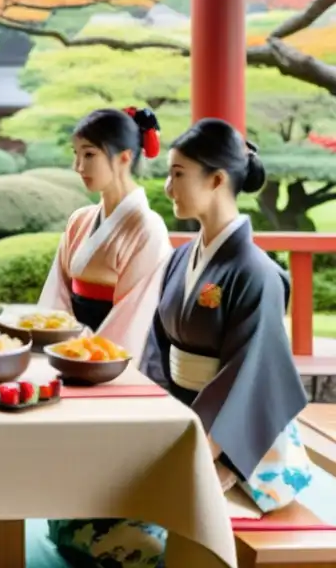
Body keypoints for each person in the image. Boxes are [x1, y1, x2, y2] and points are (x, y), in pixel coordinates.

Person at [52, 119, 313, 568]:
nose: (168, 187)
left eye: (178, 174)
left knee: (130, 543)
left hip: (239, 443)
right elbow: (156, 350)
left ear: (215, 180)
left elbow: (249, 375)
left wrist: (202, 454)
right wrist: (152, 424)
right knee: (70, 522)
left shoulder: (256, 272)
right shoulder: (180, 259)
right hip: (184, 420)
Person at [38, 107, 173, 360]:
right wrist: (57, 343)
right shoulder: (80, 220)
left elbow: (133, 319)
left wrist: (87, 355)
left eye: (89, 154)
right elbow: (57, 297)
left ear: (124, 157)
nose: (78, 166)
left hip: (112, 359)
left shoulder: (147, 228)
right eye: (76, 154)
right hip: (68, 353)